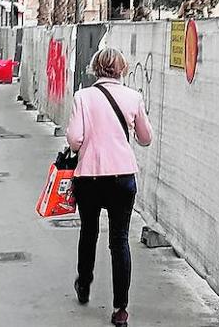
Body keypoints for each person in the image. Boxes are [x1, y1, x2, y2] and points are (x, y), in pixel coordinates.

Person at [65, 48, 153, 326]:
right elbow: (145, 138)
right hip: (122, 177)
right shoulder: (133, 97)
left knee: (89, 231)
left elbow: (74, 139)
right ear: (122, 69)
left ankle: (85, 283)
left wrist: (87, 143)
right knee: (119, 240)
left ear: (96, 68)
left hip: (89, 177)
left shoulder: (83, 97)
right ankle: (120, 309)